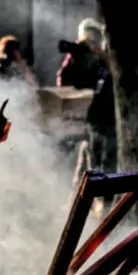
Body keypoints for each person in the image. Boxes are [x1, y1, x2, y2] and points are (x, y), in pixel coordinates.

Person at [57, 19, 116, 174]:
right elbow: (63, 80)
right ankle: (85, 192)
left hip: (106, 113)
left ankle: (97, 194)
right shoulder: (77, 54)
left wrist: (100, 54)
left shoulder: (104, 56)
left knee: (104, 159)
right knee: (91, 158)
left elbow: (113, 73)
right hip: (88, 114)